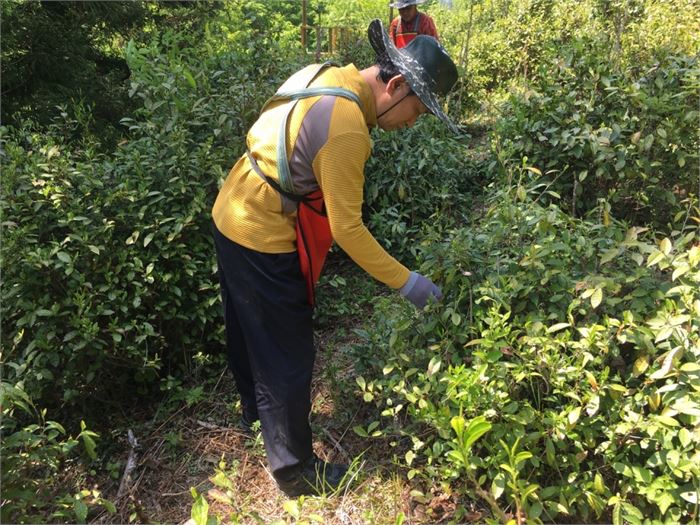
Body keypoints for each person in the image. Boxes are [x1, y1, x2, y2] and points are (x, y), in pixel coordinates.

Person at [211, 18, 458, 498]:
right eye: (417, 111)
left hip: (230, 209)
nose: (412, 124)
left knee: (245, 325)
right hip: (262, 233)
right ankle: (294, 470)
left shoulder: (324, 74)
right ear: (396, 84)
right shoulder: (348, 130)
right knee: (287, 351)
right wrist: (410, 283)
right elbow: (349, 230)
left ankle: (252, 413)